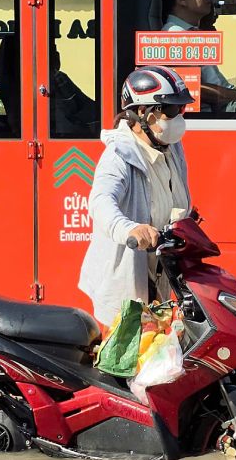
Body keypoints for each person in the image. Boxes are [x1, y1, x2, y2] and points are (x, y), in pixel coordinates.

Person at [78, 66, 193, 326]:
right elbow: (100, 203)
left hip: (161, 281)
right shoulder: (119, 156)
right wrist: (130, 229)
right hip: (124, 288)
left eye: (181, 109)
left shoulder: (172, 148)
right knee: (128, 363)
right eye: (171, 110)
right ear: (142, 112)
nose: (178, 118)